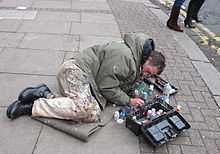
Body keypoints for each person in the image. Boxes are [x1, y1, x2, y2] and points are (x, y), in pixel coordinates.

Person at [6, 33, 166, 123]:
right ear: (146, 59)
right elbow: (107, 87)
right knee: (87, 111)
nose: (146, 75)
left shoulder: (134, 57)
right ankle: (33, 106)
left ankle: (44, 93)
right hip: (75, 73)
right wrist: (128, 101)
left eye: (150, 75)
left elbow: (119, 80)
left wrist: (132, 91)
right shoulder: (126, 58)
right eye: (148, 71)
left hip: (82, 77)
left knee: (90, 111)